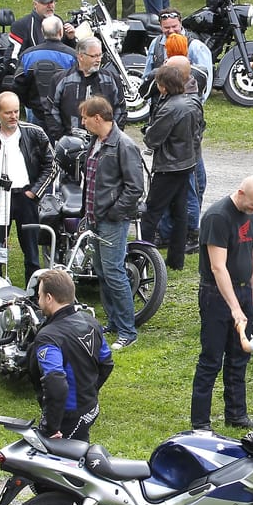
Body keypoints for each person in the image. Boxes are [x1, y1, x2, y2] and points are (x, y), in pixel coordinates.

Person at [192, 176, 253, 430]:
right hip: (216, 295)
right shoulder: (218, 217)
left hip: (245, 291)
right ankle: (200, 422)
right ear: (241, 193)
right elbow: (218, 267)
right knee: (211, 359)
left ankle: (236, 415)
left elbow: (250, 252)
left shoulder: (252, 212)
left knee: (239, 357)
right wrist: (235, 308)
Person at [0, 92, 57, 282]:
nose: (13, 116)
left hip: (25, 197)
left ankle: (34, 290)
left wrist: (35, 192)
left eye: (16, 111)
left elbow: (52, 165)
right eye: (8, 112)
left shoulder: (35, 133)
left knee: (31, 250)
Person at [80, 95, 145, 349]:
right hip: (95, 218)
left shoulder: (124, 145)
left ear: (97, 118)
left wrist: (114, 213)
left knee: (115, 273)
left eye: (85, 118)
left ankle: (128, 331)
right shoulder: (96, 142)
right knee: (102, 271)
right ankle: (114, 322)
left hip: (111, 221)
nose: (83, 123)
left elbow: (135, 187)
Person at [31, 269, 115, 440]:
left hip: (69, 418)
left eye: (39, 296)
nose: (38, 301)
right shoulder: (91, 321)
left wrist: (51, 427)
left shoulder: (49, 337)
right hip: (90, 409)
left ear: (49, 298)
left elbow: (55, 382)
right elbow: (106, 363)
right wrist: (89, 391)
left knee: (57, 456)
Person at [140, 63, 204, 271]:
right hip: (186, 163)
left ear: (163, 86)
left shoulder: (170, 108)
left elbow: (152, 139)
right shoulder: (193, 102)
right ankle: (176, 260)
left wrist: (148, 131)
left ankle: (142, 257)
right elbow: (198, 132)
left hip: (168, 167)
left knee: (152, 212)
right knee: (180, 212)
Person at [44, 35, 127, 140]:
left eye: (100, 55)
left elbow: (120, 110)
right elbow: (51, 111)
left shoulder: (111, 79)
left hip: (105, 140)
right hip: (71, 139)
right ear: (81, 57)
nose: (98, 60)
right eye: (93, 56)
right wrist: (62, 137)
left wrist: (111, 136)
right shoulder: (61, 80)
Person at [18, 15, 77, 125]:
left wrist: (29, 103)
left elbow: (18, 83)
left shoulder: (27, 55)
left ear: (42, 31)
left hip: (35, 111)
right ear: (61, 32)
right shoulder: (72, 56)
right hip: (63, 113)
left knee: (35, 135)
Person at [143, 10, 213, 100]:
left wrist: (198, 102)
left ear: (180, 23)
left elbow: (206, 80)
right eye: (167, 27)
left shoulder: (196, 46)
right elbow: (147, 75)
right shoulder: (155, 43)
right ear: (161, 26)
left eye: (174, 26)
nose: (171, 30)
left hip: (187, 100)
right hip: (159, 102)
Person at [9, 0, 74, 55]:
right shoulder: (21, 25)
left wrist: (70, 38)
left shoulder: (58, 20)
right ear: (35, 4)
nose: (50, 6)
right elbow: (12, 57)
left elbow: (68, 52)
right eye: (45, 3)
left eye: (51, 2)